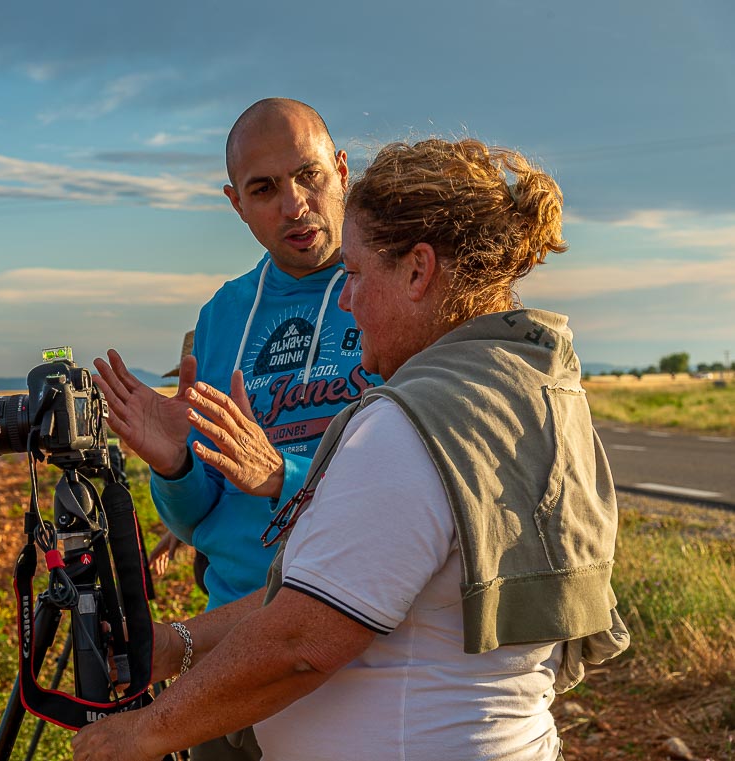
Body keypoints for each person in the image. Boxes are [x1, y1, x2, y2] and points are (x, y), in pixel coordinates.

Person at [73, 137, 630, 761]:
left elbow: (301, 642)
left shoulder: (416, 422)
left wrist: (139, 734)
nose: (344, 298)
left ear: (418, 271)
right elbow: (346, 584)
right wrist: (179, 643)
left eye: (358, 275)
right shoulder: (528, 384)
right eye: (262, 189)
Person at [94, 98, 380, 615]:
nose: (293, 206)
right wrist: (174, 464)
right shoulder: (222, 315)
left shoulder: (392, 290)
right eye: (263, 189)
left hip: (362, 616)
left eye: (308, 175)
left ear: (341, 171)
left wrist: (281, 474)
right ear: (236, 203)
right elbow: (200, 520)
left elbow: (423, 480)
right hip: (234, 619)